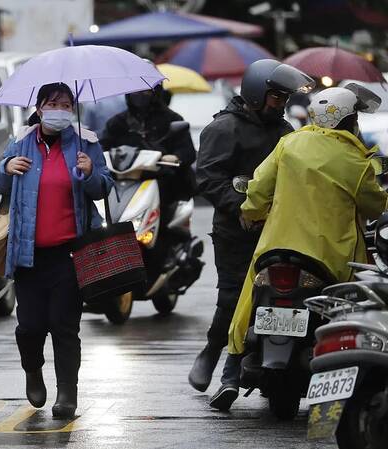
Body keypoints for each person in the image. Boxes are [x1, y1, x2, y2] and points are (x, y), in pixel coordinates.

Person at [210, 84, 388, 411]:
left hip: (276, 248)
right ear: (348, 121)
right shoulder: (356, 159)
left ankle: (230, 374)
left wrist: (251, 213)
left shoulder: (288, 144)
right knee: (351, 307)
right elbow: (375, 207)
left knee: (247, 301)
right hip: (333, 258)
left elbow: (258, 190)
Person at [189, 59, 314, 395]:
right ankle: (213, 350)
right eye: (276, 96)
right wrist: (241, 207)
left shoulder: (285, 131)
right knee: (232, 298)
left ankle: (236, 371)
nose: (282, 103)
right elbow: (208, 180)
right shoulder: (223, 129)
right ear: (257, 93)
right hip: (235, 231)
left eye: (285, 98)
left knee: (270, 299)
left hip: (277, 229)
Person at [0, 83, 112, 419]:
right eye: (52, 103)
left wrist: (90, 174)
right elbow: (0, 186)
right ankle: (32, 370)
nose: (59, 109)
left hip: (70, 255)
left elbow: (104, 185)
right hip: (28, 255)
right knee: (30, 326)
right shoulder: (21, 141)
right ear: (40, 108)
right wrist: (7, 168)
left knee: (64, 326)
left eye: (66, 103)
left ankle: (67, 393)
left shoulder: (86, 142)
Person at [100, 85, 197, 204]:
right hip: (124, 180)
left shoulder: (172, 119)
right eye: (135, 90)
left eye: (145, 90)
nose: (140, 95)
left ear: (156, 91)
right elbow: (102, 148)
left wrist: (175, 157)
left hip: (163, 181)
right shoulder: (116, 123)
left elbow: (187, 151)